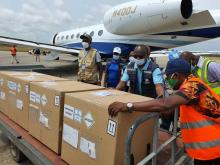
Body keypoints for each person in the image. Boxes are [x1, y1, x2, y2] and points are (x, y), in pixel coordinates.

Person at [108, 58, 220, 165]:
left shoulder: (192, 87)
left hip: (212, 149)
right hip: (206, 148)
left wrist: (128, 106)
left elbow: (165, 104)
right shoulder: (192, 83)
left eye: (168, 76)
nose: (166, 80)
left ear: (176, 75)